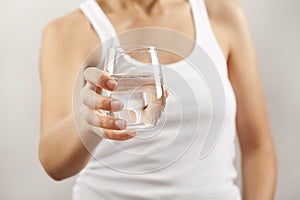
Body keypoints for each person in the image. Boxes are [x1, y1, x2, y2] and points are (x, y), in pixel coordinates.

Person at [38, 0, 277, 199]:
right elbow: (53, 163)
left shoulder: (221, 15)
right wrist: (88, 120)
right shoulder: (71, 31)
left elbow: (258, 147)